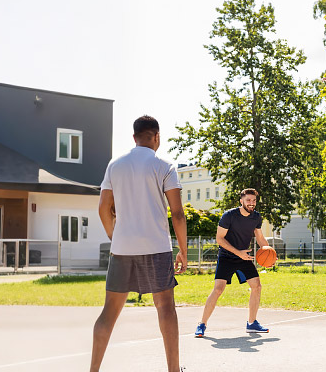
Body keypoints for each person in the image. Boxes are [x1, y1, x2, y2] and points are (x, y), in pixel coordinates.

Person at [91, 115, 188, 372]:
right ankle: (173, 370)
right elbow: (177, 213)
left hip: (122, 248)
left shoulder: (115, 165)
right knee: (165, 306)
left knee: (109, 311)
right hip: (157, 246)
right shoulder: (165, 166)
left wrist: (115, 235)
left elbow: (103, 208)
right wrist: (184, 252)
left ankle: (93, 370)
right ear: (156, 136)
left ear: (134, 138)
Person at [195, 188, 273, 337]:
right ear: (241, 201)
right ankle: (202, 324)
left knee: (256, 286)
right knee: (218, 289)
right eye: (248, 200)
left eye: (254, 200)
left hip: (244, 256)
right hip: (227, 256)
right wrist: (238, 253)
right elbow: (219, 239)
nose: (251, 203)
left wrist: (269, 253)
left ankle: (252, 324)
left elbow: (260, 237)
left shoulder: (256, 217)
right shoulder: (229, 216)